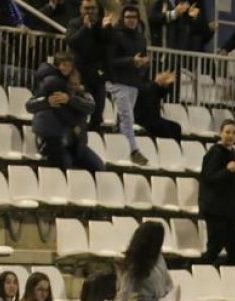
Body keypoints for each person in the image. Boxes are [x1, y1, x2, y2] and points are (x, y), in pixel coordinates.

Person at [27, 53, 104, 172]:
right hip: (53, 141)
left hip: (77, 144)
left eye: (76, 85)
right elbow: (30, 106)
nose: (74, 87)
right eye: (71, 85)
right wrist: (47, 102)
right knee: (66, 164)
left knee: (99, 167)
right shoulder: (51, 87)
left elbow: (90, 107)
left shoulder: (79, 96)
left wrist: (70, 99)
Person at [105, 4, 151, 167]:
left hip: (133, 83)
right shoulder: (115, 35)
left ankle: (119, 148)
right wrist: (132, 61)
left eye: (134, 17)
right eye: (128, 17)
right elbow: (110, 61)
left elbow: (143, 58)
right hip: (118, 82)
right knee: (127, 118)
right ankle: (133, 151)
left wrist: (142, 65)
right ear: (123, 18)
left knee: (124, 119)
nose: (131, 20)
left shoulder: (141, 38)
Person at [201, 119, 235, 266]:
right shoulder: (214, 153)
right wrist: (227, 171)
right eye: (227, 132)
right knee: (214, 246)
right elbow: (208, 178)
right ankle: (201, 274)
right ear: (221, 133)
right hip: (216, 210)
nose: (230, 136)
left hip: (230, 211)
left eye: (233, 133)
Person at [65, 0, 110, 130]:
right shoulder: (75, 23)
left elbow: (109, 47)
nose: (89, 11)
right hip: (79, 73)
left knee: (98, 108)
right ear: (81, 9)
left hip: (97, 74)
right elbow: (71, 42)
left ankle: (94, 131)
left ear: (97, 9)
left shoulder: (103, 24)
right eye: (86, 8)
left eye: (92, 8)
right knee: (79, 107)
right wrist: (85, 28)